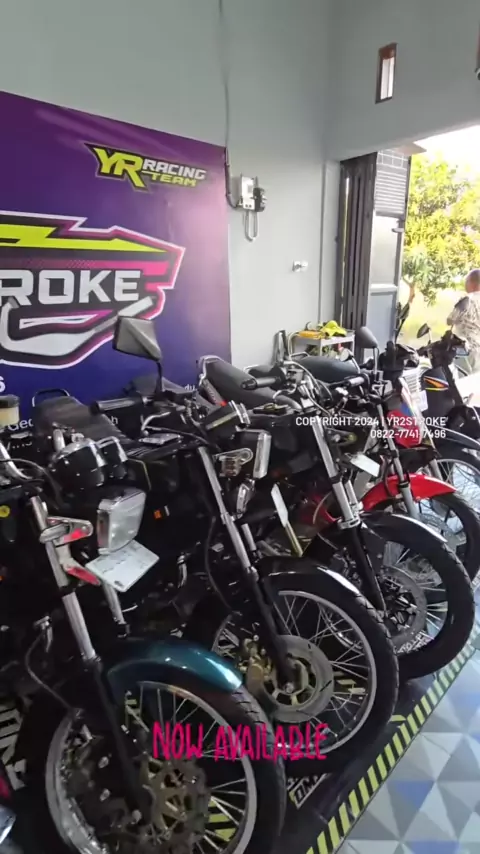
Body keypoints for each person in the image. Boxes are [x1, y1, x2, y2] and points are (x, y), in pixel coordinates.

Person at [446, 269, 480, 373]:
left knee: (464, 379)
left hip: (467, 348)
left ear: (472, 283)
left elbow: (450, 320)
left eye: (467, 281)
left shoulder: (467, 300)